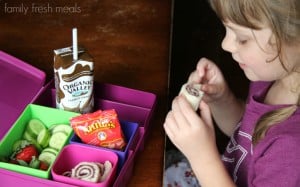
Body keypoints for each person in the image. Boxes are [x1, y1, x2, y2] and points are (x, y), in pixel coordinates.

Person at [163, 0, 300, 186]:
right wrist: (222, 100)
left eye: (243, 38)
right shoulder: (269, 78)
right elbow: (246, 134)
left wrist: (203, 157)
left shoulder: (291, 151)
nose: (226, 45)